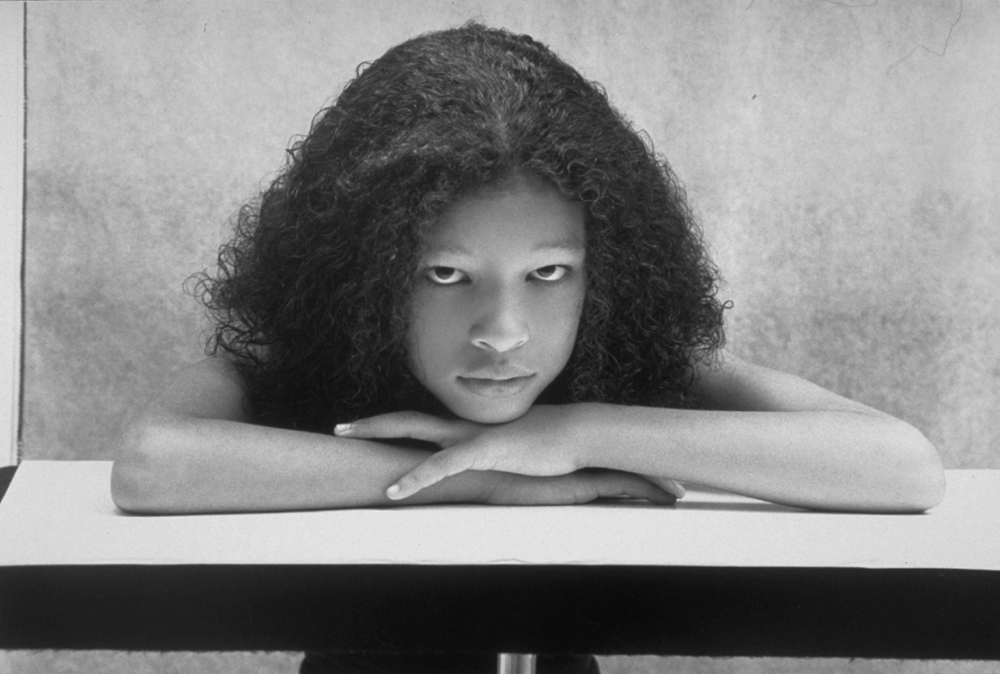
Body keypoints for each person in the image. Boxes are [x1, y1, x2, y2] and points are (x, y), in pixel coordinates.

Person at [110, 22, 945, 674]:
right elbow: (152, 463)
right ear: (363, 273)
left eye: (548, 272)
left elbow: (899, 466)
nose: (502, 331)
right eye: (444, 273)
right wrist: (485, 478)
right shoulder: (310, 365)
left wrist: (572, 434)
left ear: (605, 271)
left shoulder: (616, 369)